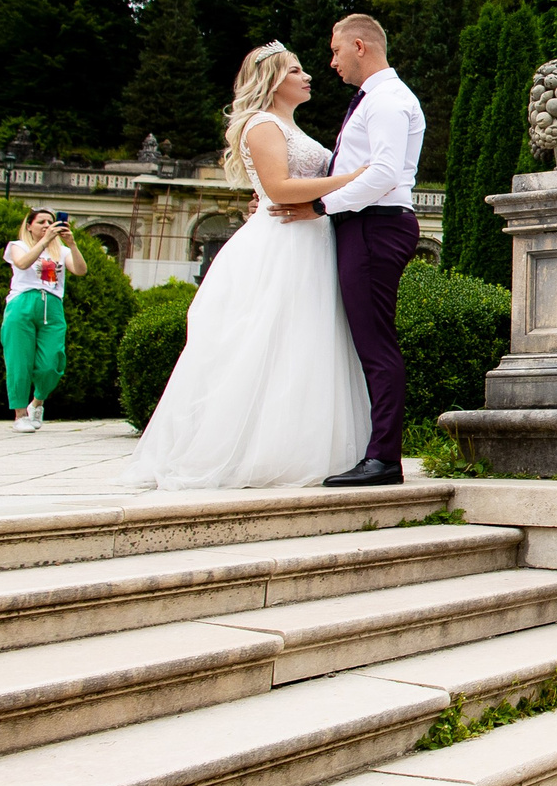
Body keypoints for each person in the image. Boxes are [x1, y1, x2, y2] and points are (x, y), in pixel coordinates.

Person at [123, 42, 373, 488]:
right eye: (297, 70)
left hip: (309, 239)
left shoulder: (288, 125)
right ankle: (248, 451)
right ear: (274, 79)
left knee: (303, 345)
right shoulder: (261, 124)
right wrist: (358, 179)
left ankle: (295, 446)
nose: (308, 76)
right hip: (281, 245)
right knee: (266, 342)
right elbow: (278, 187)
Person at [274, 13, 424, 488]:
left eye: (336, 51)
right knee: (367, 341)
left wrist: (320, 207)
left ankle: (383, 459)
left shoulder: (388, 101)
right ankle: (375, 453)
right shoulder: (377, 99)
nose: (331, 62)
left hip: (374, 227)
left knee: (375, 344)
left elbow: (383, 175)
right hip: (365, 224)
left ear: (360, 46)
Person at [1, 209, 87, 432]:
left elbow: (80, 270)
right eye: (41, 222)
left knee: (52, 362)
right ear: (29, 226)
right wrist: (45, 241)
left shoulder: (62, 251)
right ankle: (19, 414)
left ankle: (37, 403)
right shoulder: (18, 245)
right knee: (19, 361)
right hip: (22, 304)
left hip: (52, 306)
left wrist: (73, 244)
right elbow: (21, 264)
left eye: (50, 221)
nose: (47, 225)